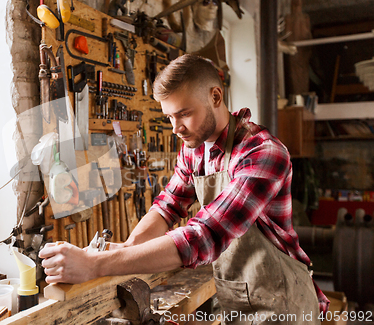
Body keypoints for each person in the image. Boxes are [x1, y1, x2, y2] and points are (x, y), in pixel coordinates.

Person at [40, 54, 329, 323]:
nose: (175, 127)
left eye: (184, 114)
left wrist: (95, 265)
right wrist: (129, 247)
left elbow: (204, 236)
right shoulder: (194, 150)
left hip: (284, 300)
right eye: (168, 117)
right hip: (240, 298)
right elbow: (168, 206)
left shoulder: (262, 153)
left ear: (215, 96)